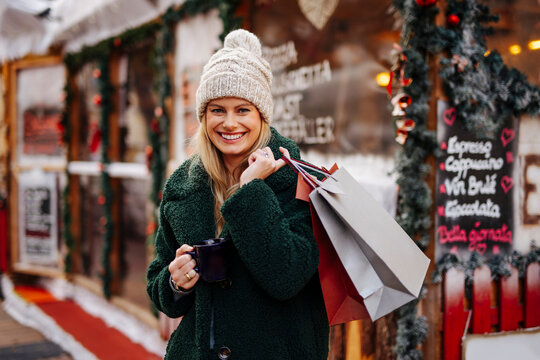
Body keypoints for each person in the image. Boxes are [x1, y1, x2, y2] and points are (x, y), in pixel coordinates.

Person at [146, 29, 329, 360]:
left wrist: (251, 190)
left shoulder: (296, 178)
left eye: (242, 110)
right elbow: (160, 283)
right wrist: (175, 283)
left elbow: (286, 276)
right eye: (217, 110)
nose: (229, 123)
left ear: (261, 115)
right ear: (204, 116)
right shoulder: (183, 186)